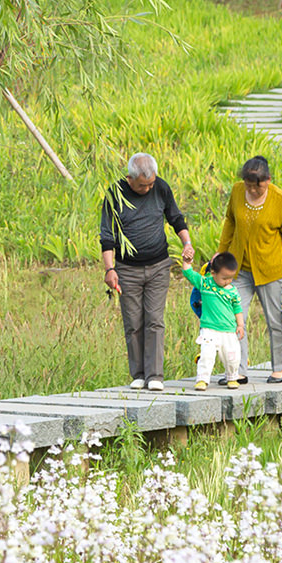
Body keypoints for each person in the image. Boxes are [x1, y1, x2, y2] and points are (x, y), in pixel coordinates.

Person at [101, 152, 195, 392]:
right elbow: (107, 236)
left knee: (154, 320)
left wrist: (187, 243)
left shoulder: (160, 187)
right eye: (143, 185)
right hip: (127, 269)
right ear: (130, 179)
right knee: (133, 322)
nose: (148, 188)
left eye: (151, 183)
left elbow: (176, 218)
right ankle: (139, 374)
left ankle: (155, 375)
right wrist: (110, 269)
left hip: (158, 266)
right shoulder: (115, 194)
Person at [216, 155, 282, 384]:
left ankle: (279, 368)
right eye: (249, 186)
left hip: (269, 270)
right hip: (239, 269)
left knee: (275, 319)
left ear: (268, 180)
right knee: (235, 319)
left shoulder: (279, 199)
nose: (253, 191)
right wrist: (221, 252)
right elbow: (230, 222)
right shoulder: (237, 191)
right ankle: (238, 371)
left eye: (259, 186)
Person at [178, 252, 245, 391]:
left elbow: (237, 309)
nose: (228, 281)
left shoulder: (233, 291)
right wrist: (186, 261)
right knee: (206, 355)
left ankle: (232, 377)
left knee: (232, 355)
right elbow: (188, 273)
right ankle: (202, 379)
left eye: (231, 278)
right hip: (209, 328)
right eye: (224, 278)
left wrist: (240, 325)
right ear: (213, 273)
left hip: (229, 329)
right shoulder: (205, 284)